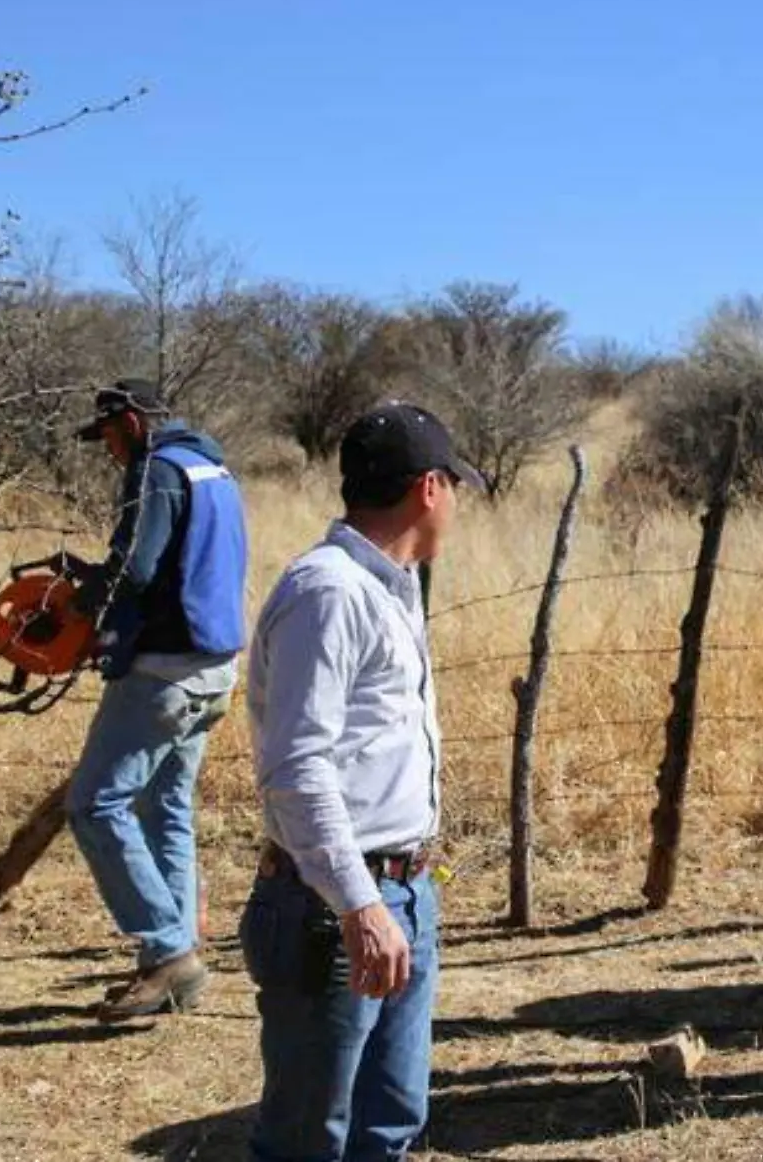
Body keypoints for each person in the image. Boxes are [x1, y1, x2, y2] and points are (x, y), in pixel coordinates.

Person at [240, 401, 477, 1161]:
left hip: (401, 889)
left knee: (389, 1123)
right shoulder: (330, 592)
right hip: (333, 906)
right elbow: (297, 766)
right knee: (311, 1138)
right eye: (455, 487)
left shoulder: (391, 585)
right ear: (430, 488)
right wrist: (360, 902)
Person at [65, 378, 249, 1022]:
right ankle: (173, 961)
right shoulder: (212, 467)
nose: (109, 450)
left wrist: (81, 599)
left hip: (165, 672)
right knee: (163, 807)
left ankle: (169, 951)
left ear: (134, 422)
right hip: (215, 668)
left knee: (95, 804)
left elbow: (135, 570)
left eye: (110, 435)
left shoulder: (155, 471)